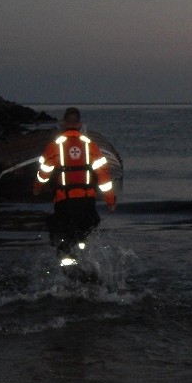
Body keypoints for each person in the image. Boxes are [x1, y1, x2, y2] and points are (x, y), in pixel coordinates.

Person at [33, 107, 117, 265]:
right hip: (87, 202)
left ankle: (66, 268)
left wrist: (37, 188)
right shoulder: (91, 146)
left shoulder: (54, 146)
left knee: (63, 236)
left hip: (64, 202)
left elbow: (44, 172)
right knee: (84, 232)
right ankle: (85, 261)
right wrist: (110, 201)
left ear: (64, 123)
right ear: (79, 124)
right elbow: (104, 176)